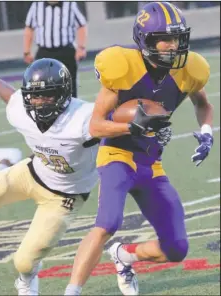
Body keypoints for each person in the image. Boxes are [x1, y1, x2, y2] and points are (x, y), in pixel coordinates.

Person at [64, 2, 214, 295]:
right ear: (145, 40)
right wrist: (131, 127)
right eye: (165, 39)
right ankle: (72, 291)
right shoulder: (122, 67)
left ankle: (125, 255)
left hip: (151, 162)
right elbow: (95, 126)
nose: (173, 46)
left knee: (176, 249)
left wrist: (206, 132)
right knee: (108, 222)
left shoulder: (188, 70)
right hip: (117, 155)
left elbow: (203, 105)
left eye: (177, 38)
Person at [0, 56, 99, 296]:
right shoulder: (22, 108)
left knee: (24, 262)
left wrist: (138, 124)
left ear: (63, 94)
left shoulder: (83, 118)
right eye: (34, 95)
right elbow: (10, 95)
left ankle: (27, 278)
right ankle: (4, 161)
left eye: (47, 95)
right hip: (30, 172)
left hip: (64, 197)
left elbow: (114, 122)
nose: (39, 102)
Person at [23, 1, 87, 97]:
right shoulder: (36, 5)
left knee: (69, 86)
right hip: (44, 52)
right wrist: (27, 51)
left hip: (66, 51)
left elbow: (82, 25)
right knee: (41, 85)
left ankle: (72, 109)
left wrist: (81, 47)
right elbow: (29, 28)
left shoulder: (70, 4)